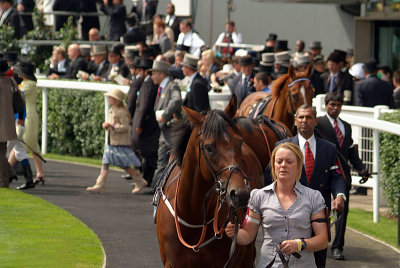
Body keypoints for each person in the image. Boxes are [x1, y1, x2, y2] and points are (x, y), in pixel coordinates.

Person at [225, 142, 329, 268]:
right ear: (273, 166)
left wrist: (299, 244)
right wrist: (234, 232)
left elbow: (323, 240)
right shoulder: (258, 196)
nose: (283, 165)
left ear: (298, 166)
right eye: (279, 161)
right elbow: (247, 236)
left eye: (289, 161)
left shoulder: (314, 197)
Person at [267, 105, 347, 268]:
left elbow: (337, 176)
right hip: (288, 217)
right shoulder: (281, 147)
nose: (305, 121)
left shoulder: (329, 148)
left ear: (315, 121)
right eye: (301, 117)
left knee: (318, 261)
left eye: (309, 117)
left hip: (318, 217)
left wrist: (340, 195)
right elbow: (270, 178)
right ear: (295, 120)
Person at [315, 92, 370, 261]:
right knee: (319, 211)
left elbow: (350, 151)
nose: (335, 108)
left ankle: (337, 247)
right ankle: (319, 243)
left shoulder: (346, 126)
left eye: (338, 105)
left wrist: (361, 168)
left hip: (343, 176)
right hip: (323, 175)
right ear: (326, 105)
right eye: (332, 104)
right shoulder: (318, 123)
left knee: (342, 212)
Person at [87, 88, 147, 194]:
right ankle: (99, 184)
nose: (109, 99)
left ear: (117, 99)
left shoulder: (122, 112)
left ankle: (139, 181)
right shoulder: (112, 109)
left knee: (125, 164)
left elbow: (125, 127)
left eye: (111, 97)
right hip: (112, 142)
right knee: (106, 162)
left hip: (120, 143)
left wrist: (112, 126)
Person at [149, 60, 182, 192]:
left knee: (176, 161)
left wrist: (166, 115)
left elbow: (177, 100)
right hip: (165, 131)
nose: (152, 76)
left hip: (172, 131)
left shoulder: (172, 86)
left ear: (162, 74)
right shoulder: (162, 87)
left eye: (154, 73)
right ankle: (156, 188)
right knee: (161, 160)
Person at [12, 59, 46, 185]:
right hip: (28, 115)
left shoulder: (28, 84)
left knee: (19, 145)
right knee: (30, 146)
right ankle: (40, 173)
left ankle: (7, 172)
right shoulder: (26, 83)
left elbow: (16, 93)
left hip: (28, 117)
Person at [131, 58, 160, 186]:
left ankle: (147, 179)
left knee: (147, 152)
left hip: (145, 124)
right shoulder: (146, 83)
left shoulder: (148, 84)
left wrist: (140, 124)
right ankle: (144, 179)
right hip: (144, 121)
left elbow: (144, 105)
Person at [0, 59, 21, 187]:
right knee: (1, 151)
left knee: (1, 154)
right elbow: (21, 100)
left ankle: (3, 180)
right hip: (8, 121)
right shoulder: (11, 82)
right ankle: (10, 172)